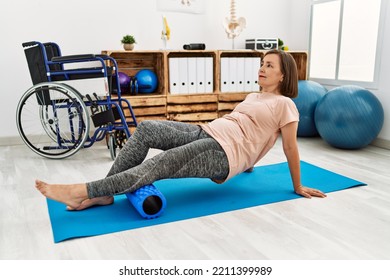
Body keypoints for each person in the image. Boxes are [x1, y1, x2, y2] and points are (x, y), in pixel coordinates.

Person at [35, 49, 326, 211]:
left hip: (222, 153)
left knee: (159, 164)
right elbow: (256, 135)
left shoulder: (285, 104)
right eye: (262, 63)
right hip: (208, 131)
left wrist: (297, 186)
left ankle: (83, 190)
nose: (262, 68)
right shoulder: (253, 96)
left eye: (269, 65)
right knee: (147, 128)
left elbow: (287, 146)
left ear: (284, 74)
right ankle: (105, 193)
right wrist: (252, 162)